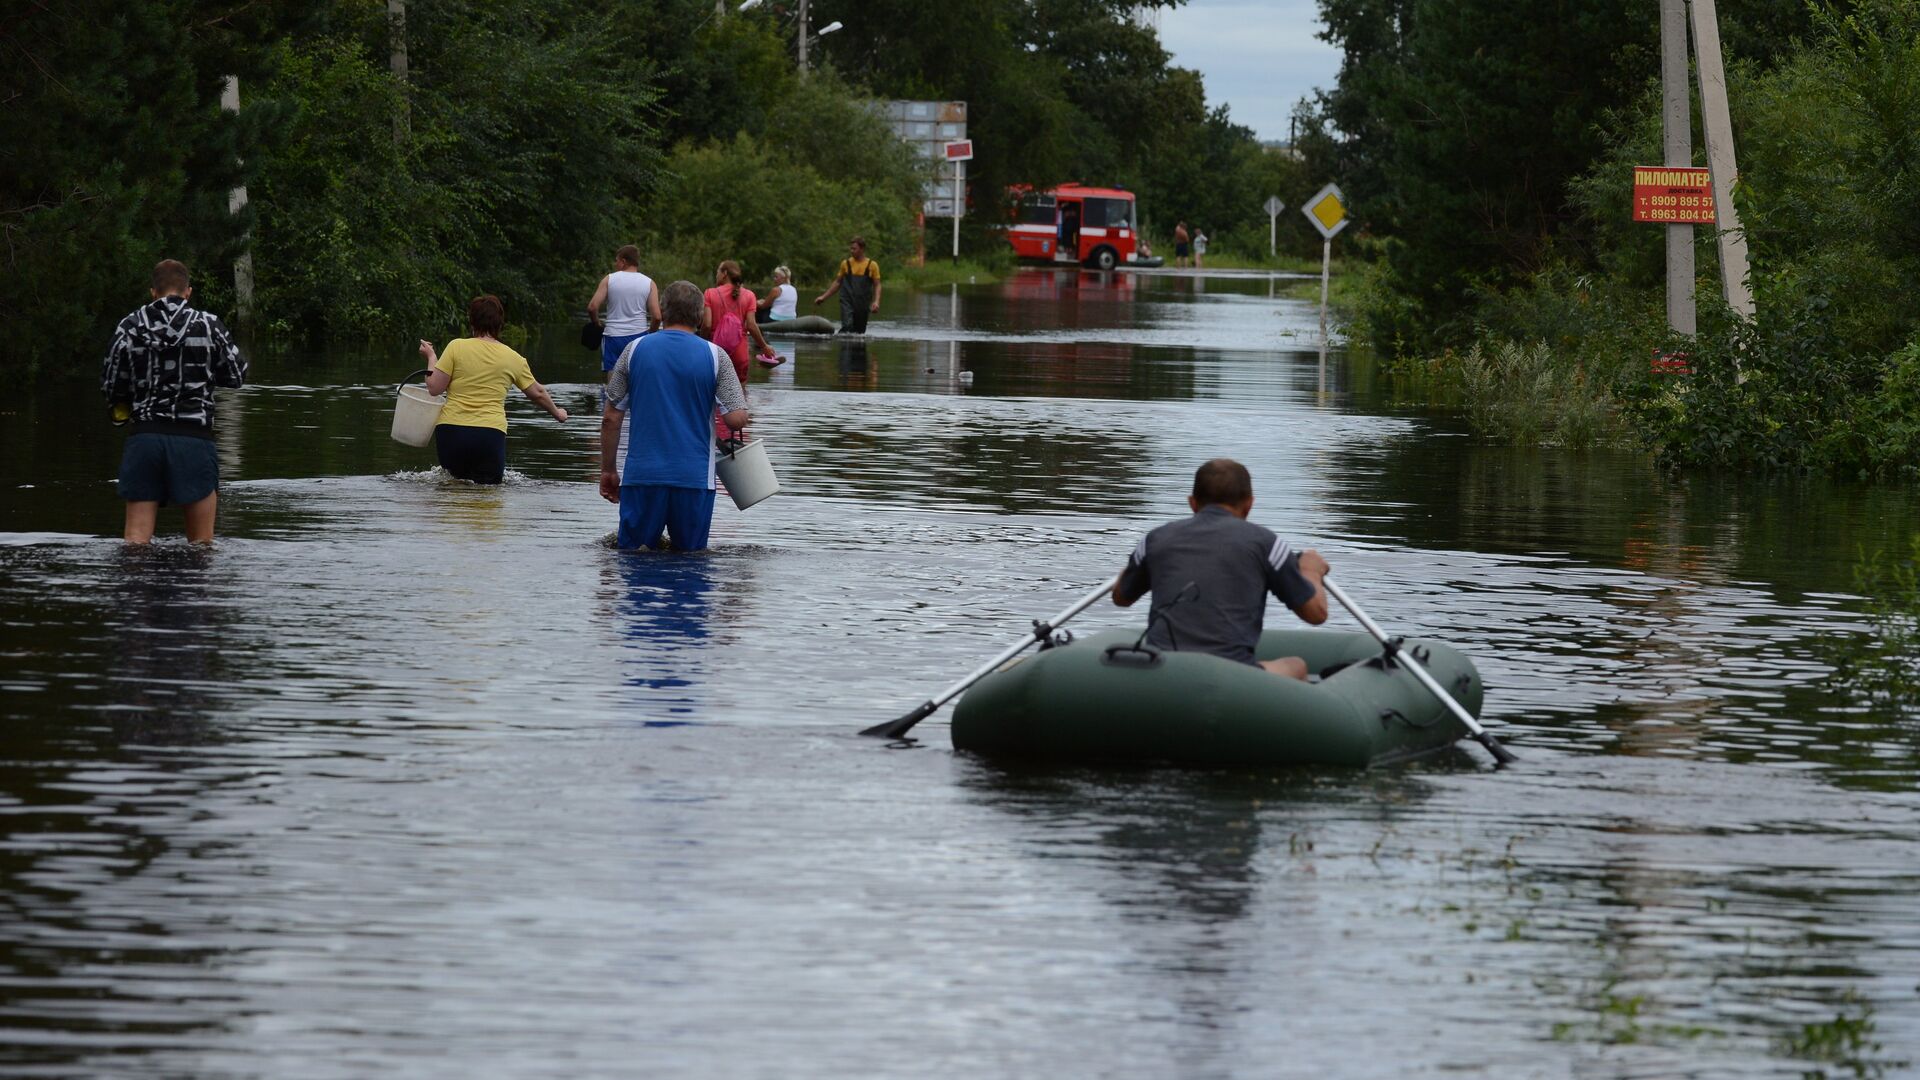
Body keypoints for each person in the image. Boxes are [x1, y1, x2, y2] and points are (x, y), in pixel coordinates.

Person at [1111, 458, 1330, 680]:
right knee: (1296, 665)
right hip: (1231, 675)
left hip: (1162, 670)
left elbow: (1121, 597)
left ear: (1192, 503)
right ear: (1249, 504)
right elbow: (1316, 614)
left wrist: (1132, 570)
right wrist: (1311, 570)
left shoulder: (1155, 539)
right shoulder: (1267, 544)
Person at [101, 258, 248, 544]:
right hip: (194, 440)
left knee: (135, 541)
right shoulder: (209, 326)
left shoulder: (129, 327)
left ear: (153, 292)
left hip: (146, 439)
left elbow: (111, 385)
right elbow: (236, 375)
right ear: (188, 291)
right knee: (201, 546)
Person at [599, 280, 750, 553]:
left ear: (663, 311)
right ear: (699, 314)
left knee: (633, 561)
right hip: (694, 480)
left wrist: (608, 470)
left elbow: (611, 417)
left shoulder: (632, 351)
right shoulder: (717, 356)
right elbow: (736, 419)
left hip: (642, 477)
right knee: (691, 566)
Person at [417, 295, 569, 485]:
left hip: (452, 431)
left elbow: (434, 388)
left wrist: (431, 357)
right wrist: (558, 413)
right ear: (499, 324)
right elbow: (537, 393)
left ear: (472, 321)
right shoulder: (513, 358)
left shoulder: (456, 347)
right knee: (488, 494)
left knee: (453, 489)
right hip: (489, 434)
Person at [702, 262, 778, 437]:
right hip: (739, 353)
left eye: (717, 271)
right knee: (739, 395)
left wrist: (702, 344)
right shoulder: (749, 295)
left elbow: (706, 324)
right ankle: (737, 437)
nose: (716, 276)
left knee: (713, 393)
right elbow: (751, 325)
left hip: (716, 352)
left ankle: (718, 435)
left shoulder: (710, 293)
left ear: (724, 273)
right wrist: (764, 346)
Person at [586, 244, 661, 379]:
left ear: (623, 261)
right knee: (636, 380)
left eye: (617, 260)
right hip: (638, 337)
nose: (615, 264)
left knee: (613, 386)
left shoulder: (609, 279)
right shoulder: (649, 283)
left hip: (613, 337)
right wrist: (650, 336)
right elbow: (656, 317)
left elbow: (592, 307)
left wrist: (596, 323)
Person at [814, 236, 882, 335]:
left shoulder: (872, 265)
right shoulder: (845, 264)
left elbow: (877, 285)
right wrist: (823, 297)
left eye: (854, 249)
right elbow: (838, 282)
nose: (851, 251)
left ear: (862, 249)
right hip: (847, 300)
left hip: (863, 303)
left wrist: (876, 302)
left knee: (859, 332)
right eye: (851, 248)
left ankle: (853, 348)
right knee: (847, 326)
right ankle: (842, 345)